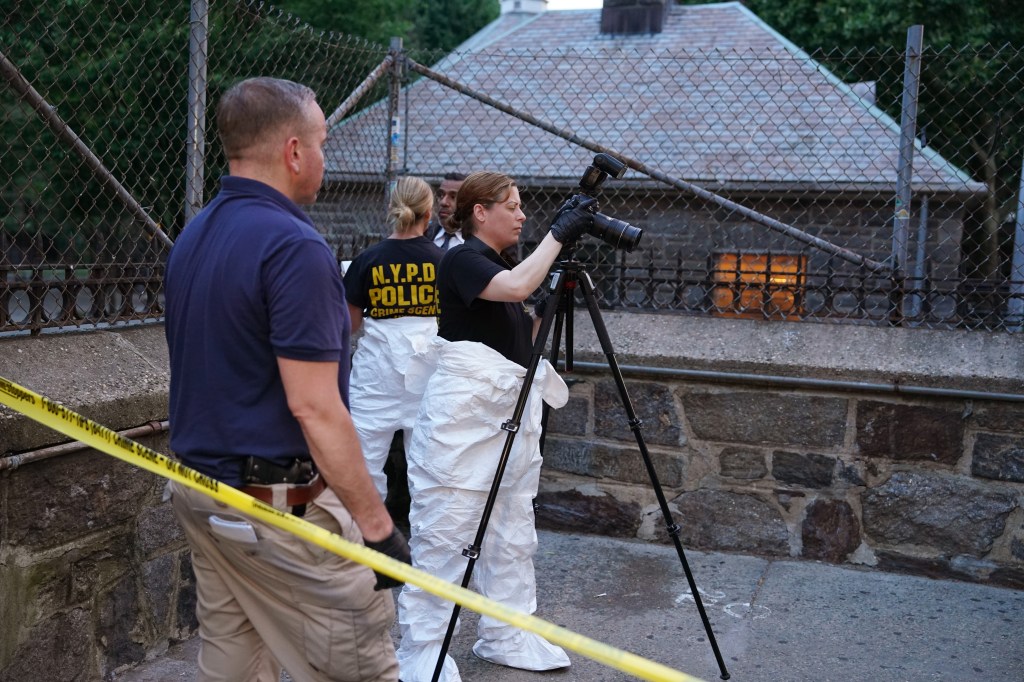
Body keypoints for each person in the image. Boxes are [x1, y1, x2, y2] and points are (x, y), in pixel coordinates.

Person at [163, 77, 409, 682]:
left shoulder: (194, 235)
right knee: (355, 661)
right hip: (279, 512)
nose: (327, 157)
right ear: (294, 151)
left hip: (203, 494)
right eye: (323, 141)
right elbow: (315, 407)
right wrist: (377, 529)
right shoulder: (294, 247)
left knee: (237, 663)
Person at [395, 171, 595, 681]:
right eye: (513, 205)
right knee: (446, 530)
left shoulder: (498, 264)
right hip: (464, 425)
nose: (522, 215)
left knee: (510, 529)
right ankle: (423, 651)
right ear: (480, 212)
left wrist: (549, 304)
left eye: (523, 207)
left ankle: (506, 633)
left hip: (507, 416)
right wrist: (559, 234)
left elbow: (519, 334)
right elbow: (516, 286)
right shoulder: (463, 259)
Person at [343, 175, 442, 503]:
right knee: (427, 473)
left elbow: (351, 324)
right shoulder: (442, 261)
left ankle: (364, 547)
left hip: (375, 379)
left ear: (392, 208)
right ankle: (429, 551)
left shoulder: (367, 260)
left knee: (363, 469)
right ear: (429, 214)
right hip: (426, 376)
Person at [427, 172, 466, 250]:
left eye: (453, 197)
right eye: (441, 195)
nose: (443, 202)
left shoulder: (480, 242)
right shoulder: (425, 235)